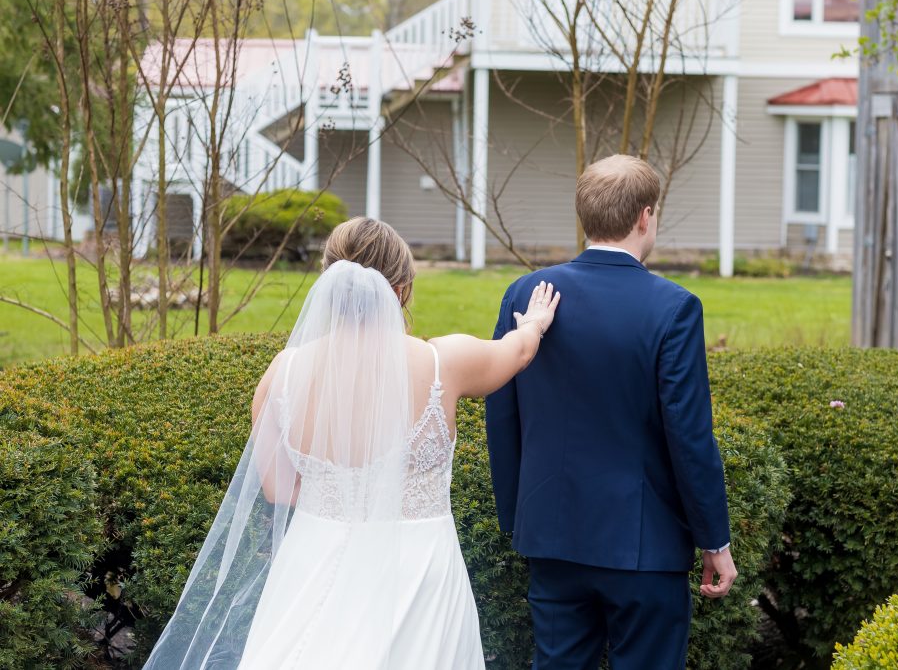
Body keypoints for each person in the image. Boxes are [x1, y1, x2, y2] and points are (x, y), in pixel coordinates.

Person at [142, 217, 560, 669]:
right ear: (400, 291)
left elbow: (278, 489)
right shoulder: (443, 362)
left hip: (313, 557)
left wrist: (338, 502)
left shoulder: (282, 375)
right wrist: (535, 322)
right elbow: (517, 351)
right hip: (416, 568)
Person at [486, 154, 737, 669]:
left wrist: (518, 516)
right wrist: (714, 539)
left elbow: (502, 415)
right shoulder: (673, 308)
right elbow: (689, 436)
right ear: (646, 216)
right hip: (645, 546)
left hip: (551, 536)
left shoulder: (526, 294)